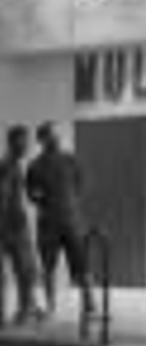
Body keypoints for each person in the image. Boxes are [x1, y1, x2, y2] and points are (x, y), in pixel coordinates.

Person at [25, 123, 91, 320]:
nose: (55, 138)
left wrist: (70, 206)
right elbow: (31, 193)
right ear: (42, 140)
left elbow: (79, 186)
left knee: (82, 265)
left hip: (72, 222)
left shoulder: (71, 160)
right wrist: (39, 197)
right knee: (48, 267)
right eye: (50, 136)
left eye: (56, 134)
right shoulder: (35, 166)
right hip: (48, 225)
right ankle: (51, 306)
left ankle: (89, 303)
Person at [0, 125, 42, 325]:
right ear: (13, 142)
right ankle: (25, 311)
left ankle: (27, 308)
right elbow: (4, 196)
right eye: (24, 141)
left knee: (26, 270)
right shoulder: (8, 166)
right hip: (12, 225)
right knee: (26, 271)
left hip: (13, 223)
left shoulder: (13, 165)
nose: (27, 146)